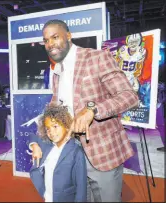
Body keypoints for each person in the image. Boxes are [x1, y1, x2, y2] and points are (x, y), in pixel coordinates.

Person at [29, 19, 139, 202]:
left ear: (69, 36)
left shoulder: (96, 57)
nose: (50, 44)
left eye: (55, 37)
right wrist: (35, 140)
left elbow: (129, 96)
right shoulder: (57, 71)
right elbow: (54, 112)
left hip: (102, 153)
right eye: (46, 40)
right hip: (72, 153)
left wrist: (93, 110)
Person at [30, 103, 87, 202]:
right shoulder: (47, 145)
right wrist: (34, 145)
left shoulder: (76, 152)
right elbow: (32, 136)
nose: (51, 132)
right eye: (48, 128)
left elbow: (81, 188)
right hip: (48, 197)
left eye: (55, 126)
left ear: (67, 126)